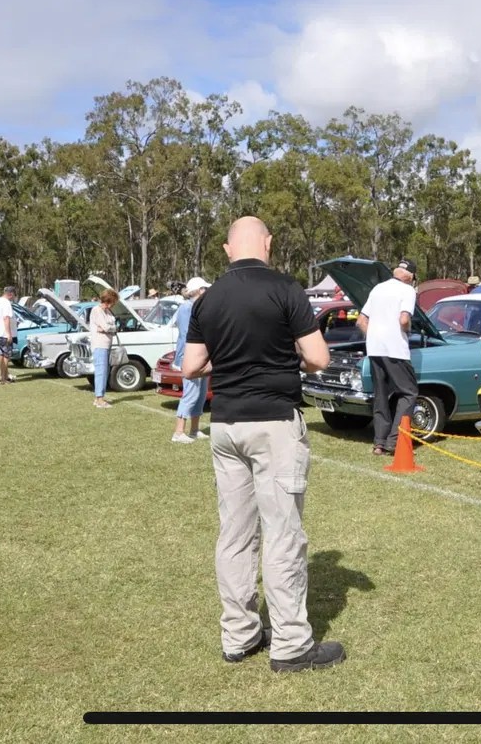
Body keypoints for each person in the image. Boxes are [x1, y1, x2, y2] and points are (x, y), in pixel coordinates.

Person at [182, 215, 344, 672]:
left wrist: (232, 360)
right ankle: (291, 644)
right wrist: (275, 354)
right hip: (273, 423)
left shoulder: (207, 299)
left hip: (226, 426)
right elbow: (317, 357)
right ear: (268, 244)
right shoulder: (286, 289)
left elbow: (192, 365)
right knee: (283, 533)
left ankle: (239, 635)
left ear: (227, 248)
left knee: (234, 533)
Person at [360, 257, 420, 456]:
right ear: (410, 277)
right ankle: (395, 442)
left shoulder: (378, 288)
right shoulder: (407, 290)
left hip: (374, 349)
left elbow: (361, 321)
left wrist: (375, 336)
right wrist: (407, 330)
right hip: (395, 350)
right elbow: (404, 319)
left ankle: (379, 443)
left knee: (382, 395)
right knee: (409, 392)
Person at [171, 276, 212, 444]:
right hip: (190, 358)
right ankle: (178, 432)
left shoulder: (196, 307)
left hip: (201, 357)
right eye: (205, 290)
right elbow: (187, 336)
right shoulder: (187, 308)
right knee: (191, 393)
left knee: (200, 394)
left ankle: (194, 430)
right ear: (199, 291)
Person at [87, 289, 120, 409]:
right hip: (100, 344)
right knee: (101, 370)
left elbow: (112, 326)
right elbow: (107, 327)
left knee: (105, 371)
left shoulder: (108, 312)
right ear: (108, 301)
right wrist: (110, 328)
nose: (114, 304)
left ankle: (99, 397)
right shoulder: (97, 310)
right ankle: (99, 399)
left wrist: (109, 328)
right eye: (113, 302)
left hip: (107, 344)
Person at [0, 286, 20, 384]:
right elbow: (6, 318)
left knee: (0, 354)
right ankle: (3, 377)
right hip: (4, 333)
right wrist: (9, 334)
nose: (13, 298)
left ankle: (1, 375)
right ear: (10, 294)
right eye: (14, 295)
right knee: (6, 355)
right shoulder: (6, 303)